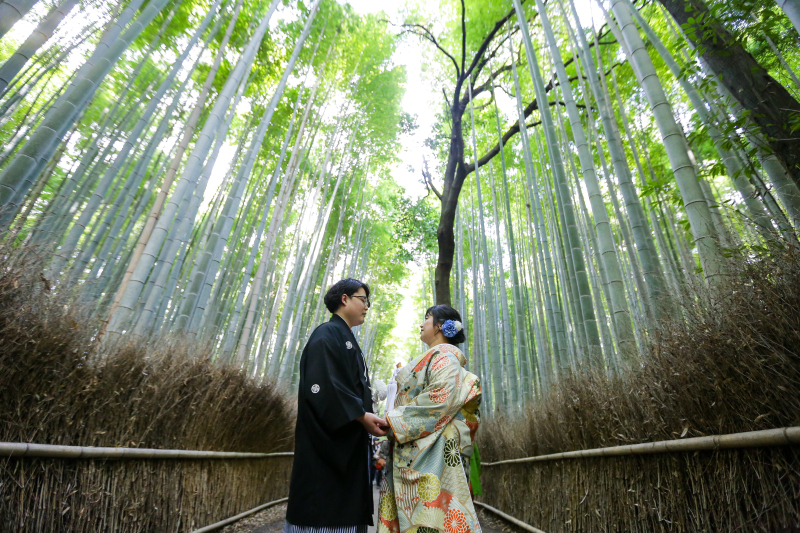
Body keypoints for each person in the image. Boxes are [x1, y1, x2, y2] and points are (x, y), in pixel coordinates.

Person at [285, 279, 388, 533]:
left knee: (346, 505)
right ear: (345, 299)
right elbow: (323, 387)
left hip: (348, 442)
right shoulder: (326, 334)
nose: (367, 307)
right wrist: (360, 414)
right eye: (363, 300)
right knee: (323, 506)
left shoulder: (346, 338)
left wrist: (364, 413)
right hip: (326, 444)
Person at [377, 305, 482, 533]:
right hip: (419, 445)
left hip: (433, 452)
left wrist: (394, 420)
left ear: (441, 326)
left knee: (430, 516)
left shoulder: (444, 356)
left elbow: (440, 398)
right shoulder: (438, 356)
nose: (421, 324)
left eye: (427, 318)